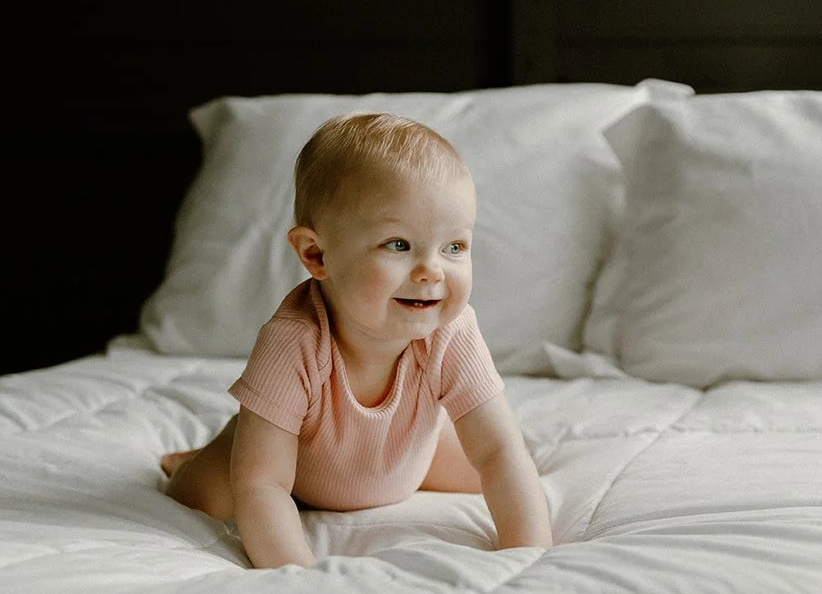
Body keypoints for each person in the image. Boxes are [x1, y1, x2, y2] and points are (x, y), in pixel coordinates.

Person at [159, 112, 553, 568]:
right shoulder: (294, 341)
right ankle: (197, 456)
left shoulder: (452, 331)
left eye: (455, 247)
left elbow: (500, 452)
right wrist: (297, 573)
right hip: (298, 470)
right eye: (399, 245)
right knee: (203, 496)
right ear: (316, 254)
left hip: (406, 458)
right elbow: (263, 486)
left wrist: (530, 557)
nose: (433, 271)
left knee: (514, 461)